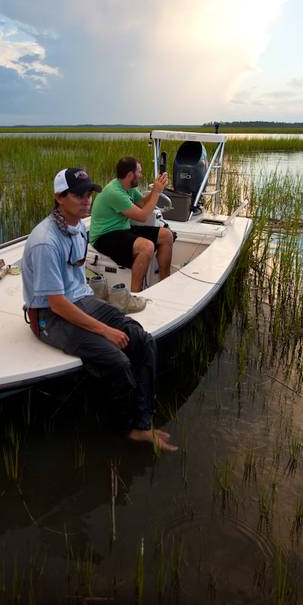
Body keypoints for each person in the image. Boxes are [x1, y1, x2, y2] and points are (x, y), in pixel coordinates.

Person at [20, 167, 177, 452]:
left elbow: (78, 282)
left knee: (142, 340)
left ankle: (143, 423)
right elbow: (56, 303)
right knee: (117, 361)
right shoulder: (46, 240)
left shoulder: (79, 227)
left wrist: (105, 319)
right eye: (78, 195)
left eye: (89, 193)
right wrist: (105, 330)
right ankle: (125, 430)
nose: (87, 200)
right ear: (59, 197)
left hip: (80, 301)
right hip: (49, 317)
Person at [89, 157, 174, 293]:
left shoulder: (127, 187)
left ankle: (164, 282)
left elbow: (142, 203)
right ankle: (135, 294)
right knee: (147, 247)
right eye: (139, 172)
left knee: (166, 235)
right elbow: (142, 216)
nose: (141, 175)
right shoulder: (115, 192)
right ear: (130, 175)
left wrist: (156, 188)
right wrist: (157, 192)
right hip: (104, 236)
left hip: (122, 229)